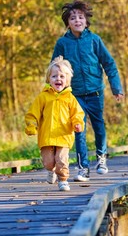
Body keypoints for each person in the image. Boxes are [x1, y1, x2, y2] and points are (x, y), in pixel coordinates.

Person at [51, 0, 124, 182]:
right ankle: (83, 168)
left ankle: (101, 157)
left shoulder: (94, 40)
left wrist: (116, 88)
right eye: (73, 18)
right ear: (67, 22)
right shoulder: (62, 43)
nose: (77, 21)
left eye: (80, 17)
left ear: (86, 20)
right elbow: (54, 67)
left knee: (99, 127)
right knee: (79, 130)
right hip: (74, 95)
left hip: (95, 92)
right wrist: (52, 89)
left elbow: (109, 64)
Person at [24, 56, 85, 191]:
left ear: (67, 80)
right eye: (54, 76)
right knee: (48, 162)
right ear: (48, 79)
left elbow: (77, 113)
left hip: (64, 135)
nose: (58, 79)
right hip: (47, 136)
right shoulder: (43, 97)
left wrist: (78, 123)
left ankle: (63, 180)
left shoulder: (70, 98)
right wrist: (31, 126)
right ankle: (50, 171)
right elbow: (32, 114)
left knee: (62, 160)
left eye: (62, 76)